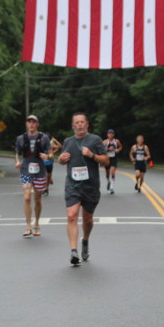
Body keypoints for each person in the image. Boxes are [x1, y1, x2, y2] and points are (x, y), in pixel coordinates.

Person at [57, 112, 108, 265]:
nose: (79, 125)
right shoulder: (68, 142)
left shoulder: (95, 140)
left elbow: (106, 161)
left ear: (87, 124)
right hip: (72, 185)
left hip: (90, 186)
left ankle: (85, 240)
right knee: (71, 215)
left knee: (87, 219)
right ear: (73, 125)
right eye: (76, 122)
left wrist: (92, 155)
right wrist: (61, 160)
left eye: (82, 122)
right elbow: (62, 160)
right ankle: (73, 251)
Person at [14, 115, 52, 237]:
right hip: (26, 170)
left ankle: (37, 223)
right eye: (29, 122)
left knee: (37, 199)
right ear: (26, 124)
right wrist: (17, 161)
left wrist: (47, 156)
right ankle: (28, 226)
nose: (31, 124)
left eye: (34, 122)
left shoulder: (44, 137)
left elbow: (51, 154)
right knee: (26, 197)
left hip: (39, 171)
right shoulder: (21, 138)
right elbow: (17, 152)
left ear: (37, 124)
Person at [103, 129, 123, 194]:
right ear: (107, 135)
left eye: (112, 134)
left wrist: (118, 150)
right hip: (107, 158)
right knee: (107, 173)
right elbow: (101, 149)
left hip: (114, 158)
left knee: (112, 171)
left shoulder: (116, 141)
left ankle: (112, 187)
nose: (111, 135)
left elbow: (120, 147)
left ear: (113, 135)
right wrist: (108, 149)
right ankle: (108, 181)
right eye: (109, 134)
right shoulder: (105, 142)